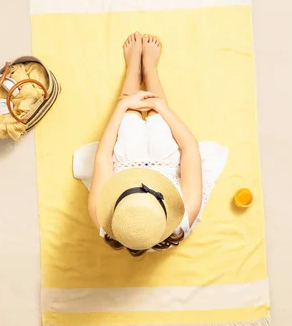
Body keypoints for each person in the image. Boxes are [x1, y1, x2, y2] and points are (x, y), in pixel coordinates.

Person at [73, 33, 228, 256]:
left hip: (127, 164)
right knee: (160, 124)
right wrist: (162, 108)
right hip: (165, 166)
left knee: (128, 125)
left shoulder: (101, 214)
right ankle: (150, 70)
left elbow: (104, 157)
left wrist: (123, 105)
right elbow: (190, 151)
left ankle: (133, 69)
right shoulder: (184, 214)